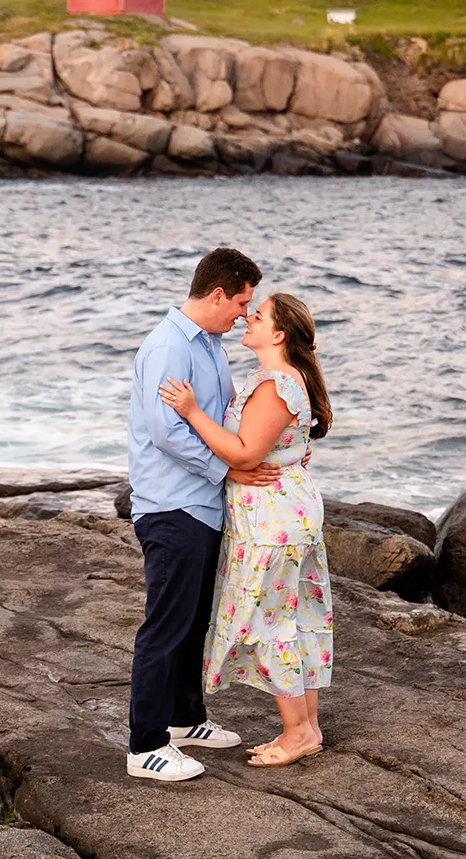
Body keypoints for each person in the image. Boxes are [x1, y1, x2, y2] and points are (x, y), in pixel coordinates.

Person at [160, 291, 333, 768]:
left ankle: (297, 732)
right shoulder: (281, 381)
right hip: (286, 513)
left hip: (272, 522)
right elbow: (275, 443)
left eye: (257, 316)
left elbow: (243, 455)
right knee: (295, 620)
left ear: (277, 335)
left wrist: (192, 412)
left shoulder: (275, 384)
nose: (246, 319)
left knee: (269, 623)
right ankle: (308, 727)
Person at [124, 247, 277, 783]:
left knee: (193, 621)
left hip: (203, 504)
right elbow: (168, 432)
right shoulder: (169, 346)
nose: (243, 313)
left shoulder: (208, 343)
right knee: (165, 625)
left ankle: (186, 718)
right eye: (240, 302)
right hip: (172, 504)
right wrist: (227, 471)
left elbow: (219, 416)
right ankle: (145, 745)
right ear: (217, 294)